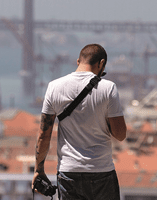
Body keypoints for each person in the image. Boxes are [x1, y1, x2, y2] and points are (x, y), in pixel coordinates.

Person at [32, 44, 127, 200]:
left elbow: (44, 134)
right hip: (101, 171)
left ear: (78, 61)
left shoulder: (54, 87)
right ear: (101, 63)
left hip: (69, 172)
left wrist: (38, 170)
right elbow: (120, 134)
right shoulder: (108, 88)